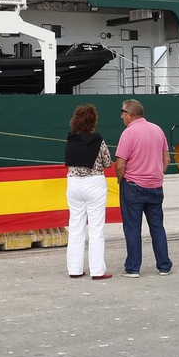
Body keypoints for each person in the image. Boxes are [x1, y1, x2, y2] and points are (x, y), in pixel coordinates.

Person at [114, 99, 172, 277]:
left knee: (132, 227)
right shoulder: (157, 130)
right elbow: (167, 159)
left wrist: (120, 180)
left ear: (130, 114)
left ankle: (133, 268)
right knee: (157, 227)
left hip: (133, 185)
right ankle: (164, 266)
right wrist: (156, 174)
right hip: (155, 186)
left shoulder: (128, 133)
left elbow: (120, 164)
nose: (121, 116)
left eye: (123, 112)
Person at [64, 104, 112, 279]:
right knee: (96, 228)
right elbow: (107, 162)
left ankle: (74, 269)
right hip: (94, 183)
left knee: (75, 226)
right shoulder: (98, 141)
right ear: (93, 122)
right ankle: (97, 270)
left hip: (74, 183)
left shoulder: (70, 139)